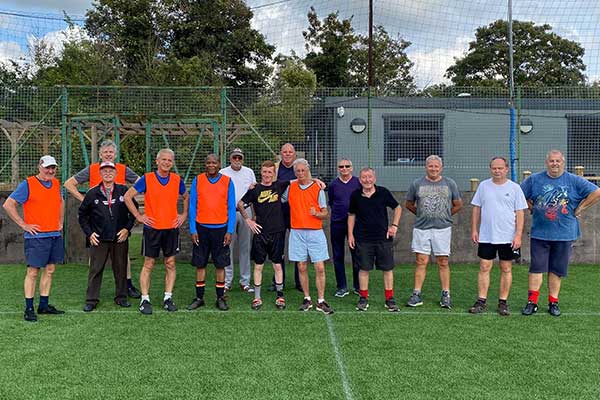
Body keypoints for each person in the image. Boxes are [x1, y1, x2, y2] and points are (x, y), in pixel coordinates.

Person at [520, 149, 600, 317]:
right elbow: (519, 194)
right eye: (551, 161)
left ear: (563, 163)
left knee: (556, 270)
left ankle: (553, 302)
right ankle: (532, 302)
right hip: (540, 234)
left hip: (564, 234)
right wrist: (530, 206)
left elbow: (596, 192)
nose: (554, 164)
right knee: (536, 269)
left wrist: (581, 207)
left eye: (558, 161)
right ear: (546, 163)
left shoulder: (573, 180)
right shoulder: (534, 180)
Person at [64, 139, 141, 299]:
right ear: (100, 154)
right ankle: (92, 292)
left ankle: (127, 285)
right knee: (95, 254)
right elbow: (69, 184)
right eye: (105, 152)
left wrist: (130, 198)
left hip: (118, 216)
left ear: (115, 154)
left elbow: (142, 183)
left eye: (111, 152)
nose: (108, 155)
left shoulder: (123, 169)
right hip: (97, 218)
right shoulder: (92, 169)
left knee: (122, 255)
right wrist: (84, 199)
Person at [124, 149, 188, 315]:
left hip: (171, 229)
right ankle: (145, 299)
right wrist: (139, 216)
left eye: (169, 160)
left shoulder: (177, 180)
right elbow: (127, 196)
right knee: (149, 264)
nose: (166, 163)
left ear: (172, 163)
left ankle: (168, 298)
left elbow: (186, 197)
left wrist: (184, 215)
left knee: (170, 263)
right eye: (164, 160)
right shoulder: (147, 178)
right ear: (157, 162)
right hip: (152, 228)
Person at [3, 155, 65, 322]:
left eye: (53, 168)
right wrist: (24, 225)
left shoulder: (56, 183)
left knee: (50, 269)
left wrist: (61, 221)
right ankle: (29, 309)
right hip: (36, 237)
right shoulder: (28, 184)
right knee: (33, 271)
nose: (50, 171)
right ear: (40, 166)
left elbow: (61, 201)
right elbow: (8, 204)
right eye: (47, 167)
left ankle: (43, 305)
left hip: (54, 235)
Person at [469, 157, 528, 316]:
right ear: (490, 169)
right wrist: (474, 229)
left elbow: (520, 213)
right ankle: (481, 301)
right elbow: (476, 209)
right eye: (494, 168)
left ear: (506, 169)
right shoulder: (483, 186)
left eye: (500, 168)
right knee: (484, 267)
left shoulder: (515, 188)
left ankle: (503, 302)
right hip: (487, 236)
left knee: (506, 268)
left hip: (508, 237)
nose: (497, 171)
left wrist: (518, 235)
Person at [78, 162, 138, 312]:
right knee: (95, 269)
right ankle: (91, 299)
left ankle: (121, 297)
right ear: (100, 173)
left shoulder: (124, 191)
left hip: (119, 237)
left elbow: (134, 211)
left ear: (116, 173)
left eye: (111, 170)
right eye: (104, 170)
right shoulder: (92, 193)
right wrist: (89, 233)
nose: (108, 173)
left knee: (121, 268)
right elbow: (82, 215)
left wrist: (127, 229)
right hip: (99, 237)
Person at [405, 155, 463, 309]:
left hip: (442, 229)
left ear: (441, 168)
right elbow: (409, 204)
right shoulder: (417, 183)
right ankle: (416, 293)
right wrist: (421, 214)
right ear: (426, 167)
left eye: (436, 166)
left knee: (443, 261)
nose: (433, 169)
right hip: (421, 228)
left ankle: (446, 294)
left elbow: (458, 204)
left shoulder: (450, 183)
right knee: (421, 261)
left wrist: (445, 215)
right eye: (431, 166)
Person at [281, 158, 333, 314]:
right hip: (296, 232)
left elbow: (325, 213)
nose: (300, 173)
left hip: (315, 232)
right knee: (301, 266)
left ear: (308, 170)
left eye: (303, 170)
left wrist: (316, 213)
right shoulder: (290, 187)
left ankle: (321, 300)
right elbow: (278, 196)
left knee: (319, 267)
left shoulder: (317, 188)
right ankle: (307, 298)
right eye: (297, 171)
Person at [348, 167, 402, 312]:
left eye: (369, 177)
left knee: (387, 269)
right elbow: (351, 215)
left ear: (374, 178)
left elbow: (397, 208)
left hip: (383, 239)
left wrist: (394, 226)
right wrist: (351, 235)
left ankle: (389, 299)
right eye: (364, 177)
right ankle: (363, 298)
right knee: (364, 269)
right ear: (360, 180)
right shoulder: (355, 195)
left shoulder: (383, 192)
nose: (367, 180)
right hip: (363, 239)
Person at [187, 154, 236, 311]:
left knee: (220, 265)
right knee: (200, 264)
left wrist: (230, 230)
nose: (211, 165)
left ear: (219, 164)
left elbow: (231, 207)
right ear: (205, 164)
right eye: (208, 162)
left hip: (221, 229)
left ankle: (220, 298)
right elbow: (193, 206)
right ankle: (199, 298)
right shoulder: (198, 180)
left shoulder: (227, 181)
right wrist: (193, 229)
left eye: (214, 162)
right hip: (201, 229)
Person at [238, 160, 288, 310]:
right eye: (264, 172)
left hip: (277, 232)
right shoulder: (255, 189)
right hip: (260, 233)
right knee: (258, 266)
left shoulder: (279, 185)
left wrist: (317, 180)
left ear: (274, 173)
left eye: (270, 172)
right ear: (261, 172)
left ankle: (280, 296)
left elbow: (301, 178)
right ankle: (257, 298)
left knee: (277, 265)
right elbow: (240, 204)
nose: (267, 175)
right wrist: (248, 220)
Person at [219, 148, 256, 293]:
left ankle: (245, 281)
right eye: (235, 157)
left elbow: (253, 194)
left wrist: (254, 215)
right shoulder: (223, 172)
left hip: (245, 211)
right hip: (229, 212)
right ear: (230, 158)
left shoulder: (249, 172)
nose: (237, 160)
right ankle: (227, 282)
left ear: (243, 159)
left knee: (245, 248)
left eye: (239, 158)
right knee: (227, 246)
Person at [270, 142, 302, 291]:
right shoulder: (275, 168)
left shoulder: (300, 167)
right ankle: (278, 281)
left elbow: (308, 181)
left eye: (290, 152)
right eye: (285, 152)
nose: (288, 154)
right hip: (278, 213)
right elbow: (269, 184)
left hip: (297, 213)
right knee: (278, 248)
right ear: (280, 154)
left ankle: (300, 281)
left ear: (294, 154)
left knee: (297, 248)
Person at [328, 158, 361, 297]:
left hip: (356, 224)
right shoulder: (333, 184)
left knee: (357, 255)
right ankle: (341, 286)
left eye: (347, 166)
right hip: (337, 223)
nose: (344, 168)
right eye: (341, 166)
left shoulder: (358, 182)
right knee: (338, 255)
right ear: (338, 169)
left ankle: (358, 286)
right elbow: (331, 202)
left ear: (352, 168)